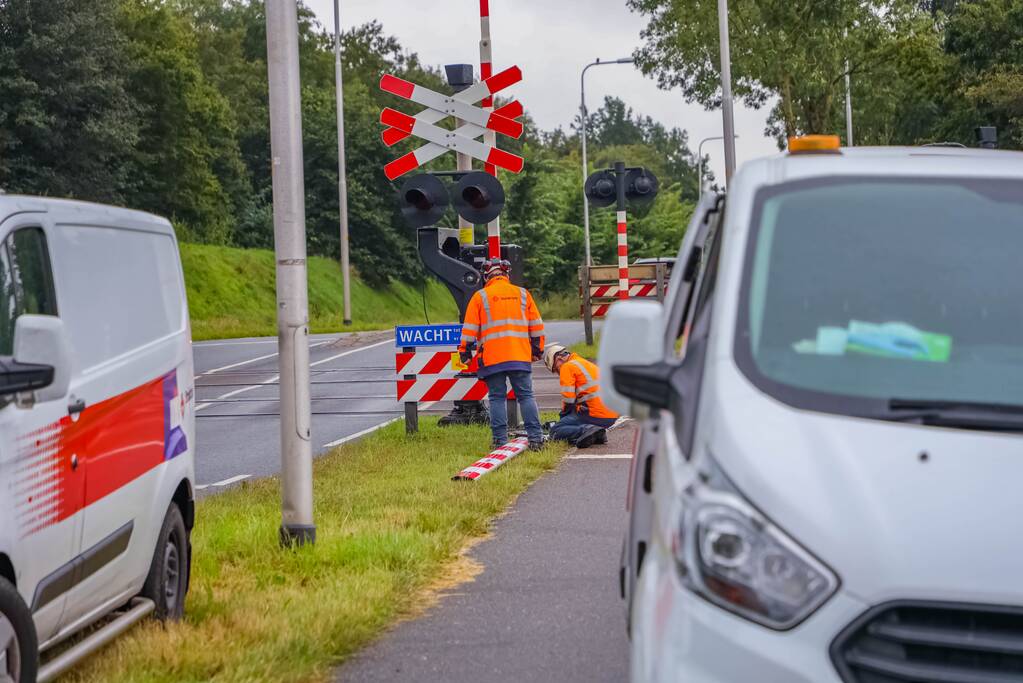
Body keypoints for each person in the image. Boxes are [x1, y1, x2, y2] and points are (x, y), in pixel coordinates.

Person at [459, 259, 545, 449]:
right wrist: (537, 348)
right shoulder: (523, 294)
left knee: (497, 397)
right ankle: (536, 439)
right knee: (526, 396)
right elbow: (537, 326)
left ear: (486, 276)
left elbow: (469, 329)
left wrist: (464, 350)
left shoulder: (480, 297)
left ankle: (500, 441)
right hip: (519, 355)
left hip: (493, 357)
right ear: (506, 274)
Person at [542, 344, 619, 448]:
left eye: (556, 369)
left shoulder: (567, 366)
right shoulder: (585, 363)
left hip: (596, 415)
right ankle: (596, 433)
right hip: (612, 416)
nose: (558, 373)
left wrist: (563, 416)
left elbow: (568, 399)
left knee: (555, 431)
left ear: (559, 359)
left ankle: (587, 430)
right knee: (572, 418)